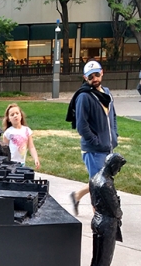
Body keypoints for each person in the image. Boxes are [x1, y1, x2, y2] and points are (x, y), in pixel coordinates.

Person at [66, 60, 118, 216]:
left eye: (96, 75)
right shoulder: (84, 97)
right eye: (90, 77)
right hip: (93, 150)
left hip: (108, 147)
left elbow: (113, 117)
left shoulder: (107, 93)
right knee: (99, 185)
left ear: (102, 72)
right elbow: (82, 126)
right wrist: (96, 142)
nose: (94, 79)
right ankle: (99, 218)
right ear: (85, 77)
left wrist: (114, 136)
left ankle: (76, 196)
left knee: (103, 180)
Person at [89, 153, 126, 266]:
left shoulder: (94, 178)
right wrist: (120, 213)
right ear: (113, 165)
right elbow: (116, 211)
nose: (119, 171)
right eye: (118, 167)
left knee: (96, 258)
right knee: (104, 259)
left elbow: (93, 202)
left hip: (96, 220)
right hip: (107, 224)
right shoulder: (106, 184)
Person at [2, 103, 40, 169]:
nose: (15, 116)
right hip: (11, 163)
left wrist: (36, 159)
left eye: (17, 113)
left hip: (22, 163)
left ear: (21, 115)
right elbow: (4, 150)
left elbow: (31, 147)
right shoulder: (8, 132)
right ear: (8, 119)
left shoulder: (27, 130)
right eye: (12, 115)